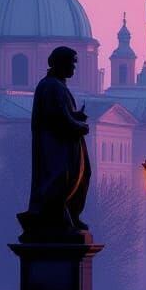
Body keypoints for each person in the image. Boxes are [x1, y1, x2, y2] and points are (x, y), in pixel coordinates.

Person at [18, 46, 91, 239]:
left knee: (79, 178)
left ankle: (71, 215)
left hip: (66, 146)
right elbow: (57, 118)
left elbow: (62, 114)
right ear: (61, 63)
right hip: (56, 148)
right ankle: (59, 218)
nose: (74, 68)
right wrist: (79, 126)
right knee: (60, 180)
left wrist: (76, 116)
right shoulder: (51, 86)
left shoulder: (57, 85)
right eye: (72, 64)